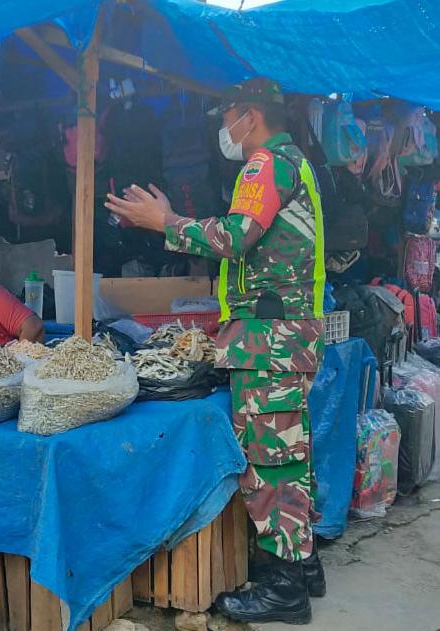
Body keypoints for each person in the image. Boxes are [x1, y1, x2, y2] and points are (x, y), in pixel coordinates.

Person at [106, 78, 325, 625]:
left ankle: (283, 589)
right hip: (283, 334)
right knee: (289, 454)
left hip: (268, 338)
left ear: (248, 116)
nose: (221, 127)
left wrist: (166, 223)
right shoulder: (294, 162)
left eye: (225, 115)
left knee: (272, 462)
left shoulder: (265, 165)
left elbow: (234, 238)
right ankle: (303, 566)